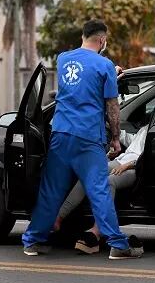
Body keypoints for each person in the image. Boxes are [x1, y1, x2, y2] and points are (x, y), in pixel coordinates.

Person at [21, 19, 143, 260]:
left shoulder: (64, 59)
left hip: (61, 134)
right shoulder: (105, 65)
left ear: (83, 37)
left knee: (51, 190)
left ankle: (33, 241)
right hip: (88, 138)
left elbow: (80, 86)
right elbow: (112, 107)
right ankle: (118, 245)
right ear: (102, 40)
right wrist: (116, 138)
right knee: (99, 190)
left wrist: (109, 75)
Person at [54, 124, 147, 254]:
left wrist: (127, 165)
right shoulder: (144, 129)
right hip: (120, 161)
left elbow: (148, 157)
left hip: (137, 168)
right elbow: (128, 140)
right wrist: (110, 125)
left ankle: (96, 231)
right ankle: (58, 217)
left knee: (109, 181)